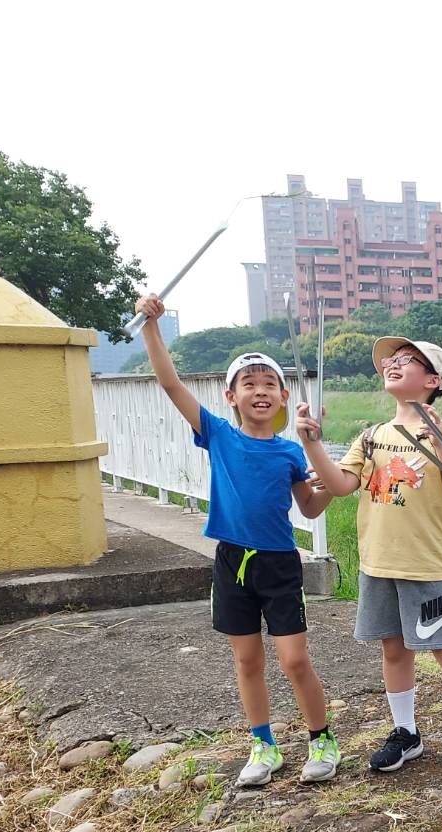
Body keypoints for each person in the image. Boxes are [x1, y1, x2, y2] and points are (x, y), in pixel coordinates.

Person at [136, 294, 338, 787]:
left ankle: (321, 739)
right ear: (231, 397)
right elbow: (169, 382)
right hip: (231, 561)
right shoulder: (219, 435)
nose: (260, 390)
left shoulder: (292, 451)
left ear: (284, 398)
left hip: (280, 564)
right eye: (248, 384)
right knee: (247, 659)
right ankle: (264, 745)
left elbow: (309, 508)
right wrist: (151, 327)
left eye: (270, 383)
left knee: (294, 658)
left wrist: (328, 482)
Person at [296, 336, 442, 777]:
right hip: (378, 562)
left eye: (409, 361)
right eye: (391, 360)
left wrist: (438, 442)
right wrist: (312, 444)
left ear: (433, 380)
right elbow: (342, 485)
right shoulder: (371, 437)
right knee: (393, 649)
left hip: (429, 563)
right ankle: (406, 732)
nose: (394, 364)